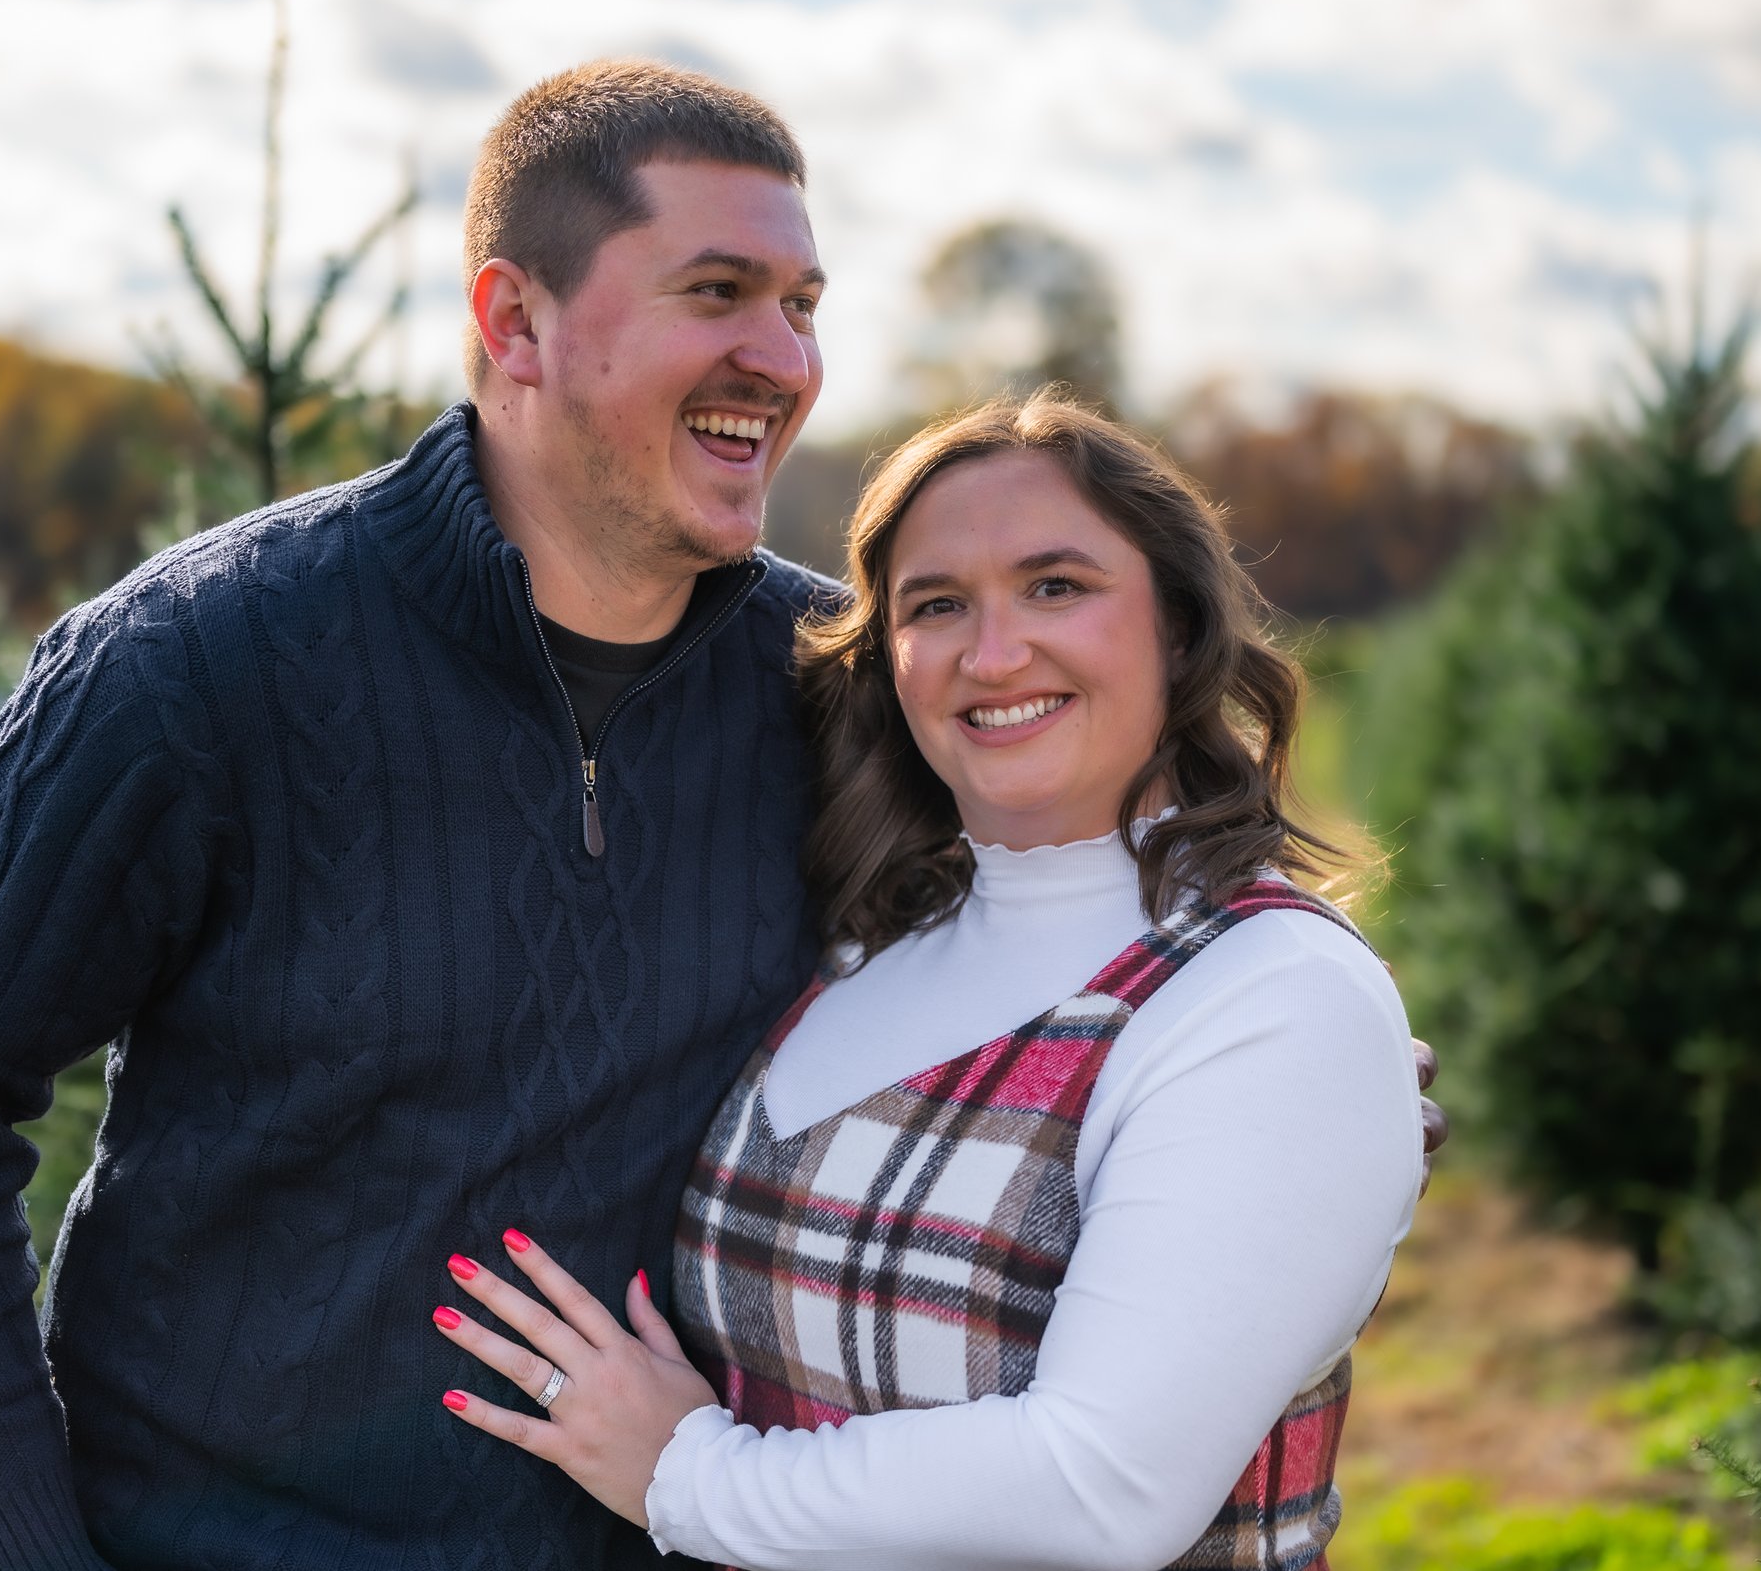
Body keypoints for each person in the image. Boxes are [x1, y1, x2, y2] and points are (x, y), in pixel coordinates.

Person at [0, 61, 1441, 1571]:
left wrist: (1309, 1071)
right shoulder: (195, 666)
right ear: (514, 322)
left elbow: (1068, 898)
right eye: (716, 292)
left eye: (803, 305)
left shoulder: (830, 688)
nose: (784, 360)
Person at [427, 394, 1420, 1571]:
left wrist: (687, 1476)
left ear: (1178, 627)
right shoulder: (870, 942)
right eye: (936, 604)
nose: (991, 655)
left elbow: (1100, 1492)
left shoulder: (1272, 995)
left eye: (1055, 586)